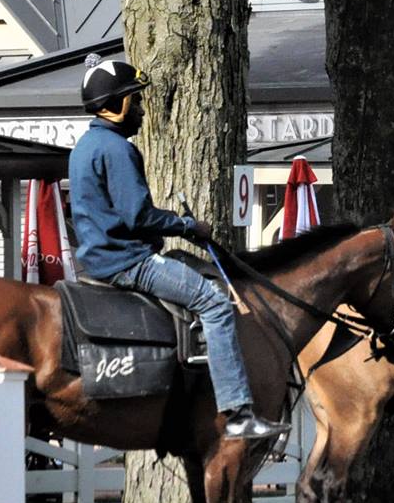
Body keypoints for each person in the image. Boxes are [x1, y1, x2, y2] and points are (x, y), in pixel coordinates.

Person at [67, 54, 282, 440]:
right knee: (215, 302)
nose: (142, 110)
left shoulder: (84, 146)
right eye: (136, 100)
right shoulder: (118, 150)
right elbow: (138, 217)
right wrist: (187, 226)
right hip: (129, 261)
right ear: (116, 106)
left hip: (95, 260)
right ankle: (236, 412)